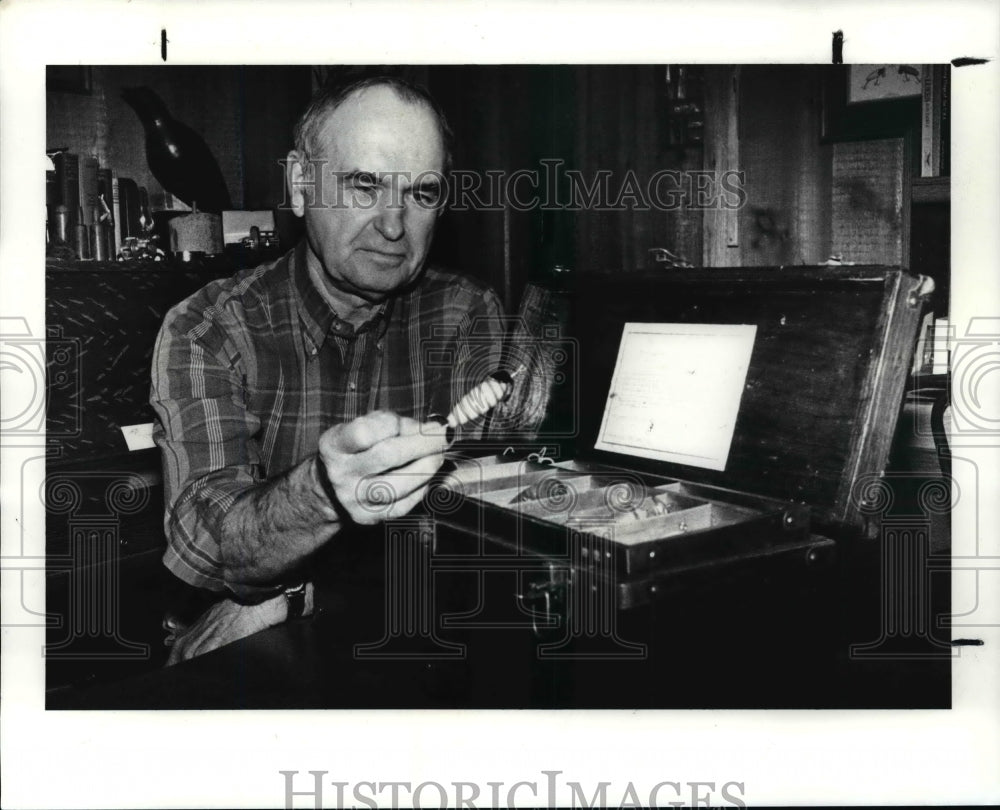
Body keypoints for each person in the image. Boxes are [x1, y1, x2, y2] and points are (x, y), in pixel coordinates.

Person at [151, 76, 508, 664]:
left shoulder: (466, 313)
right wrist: (322, 491)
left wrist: (296, 596)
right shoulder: (209, 328)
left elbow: (475, 537)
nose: (393, 226)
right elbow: (209, 546)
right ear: (300, 185)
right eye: (365, 185)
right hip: (248, 657)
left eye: (421, 193)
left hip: (406, 637)